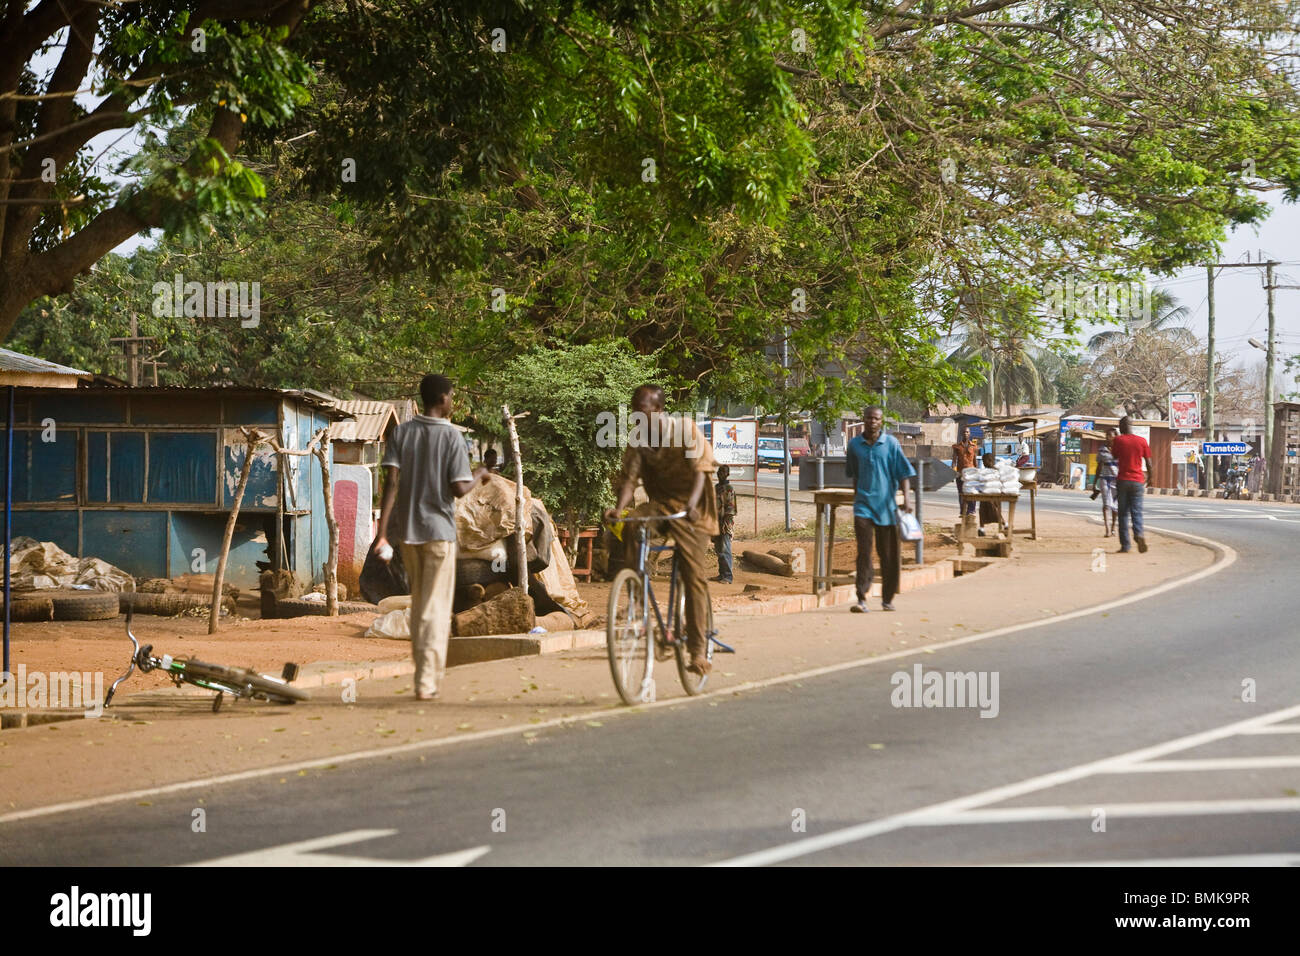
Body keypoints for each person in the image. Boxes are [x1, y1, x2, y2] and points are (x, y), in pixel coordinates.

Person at [374, 374, 489, 700]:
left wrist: (382, 534)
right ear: (442, 399)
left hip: (409, 535)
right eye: (452, 396)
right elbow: (458, 488)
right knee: (435, 609)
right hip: (439, 534)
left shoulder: (402, 433)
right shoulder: (452, 437)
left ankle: (423, 673)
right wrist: (480, 473)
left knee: (421, 603)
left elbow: (391, 484)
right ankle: (427, 679)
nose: (452, 401)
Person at [605, 385, 719, 675]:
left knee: (693, 576)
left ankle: (697, 651)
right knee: (632, 524)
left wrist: (692, 505)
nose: (637, 418)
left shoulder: (684, 430)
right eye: (634, 413)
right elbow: (630, 479)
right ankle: (637, 595)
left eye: (642, 411)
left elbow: (700, 472)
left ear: (658, 410)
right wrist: (619, 509)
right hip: (661, 505)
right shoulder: (639, 439)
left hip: (693, 510)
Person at [846, 406, 915, 613]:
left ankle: (887, 598)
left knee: (888, 554)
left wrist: (907, 499)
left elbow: (903, 473)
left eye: (876, 419)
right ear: (863, 420)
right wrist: (857, 497)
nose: (872, 422)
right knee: (864, 552)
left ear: (881, 421)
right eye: (868, 418)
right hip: (863, 507)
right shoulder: (854, 445)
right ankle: (861, 598)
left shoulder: (891, 444)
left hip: (886, 507)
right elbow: (854, 475)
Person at [1110, 416, 1153, 554]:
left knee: (1123, 514)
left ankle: (1126, 545)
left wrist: (1114, 442)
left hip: (1123, 480)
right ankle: (1139, 534)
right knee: (1137, 511)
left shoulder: (1118, 440)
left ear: (1122, 426)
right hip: (1138, 481)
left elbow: (1114, 456)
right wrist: (1151, 477)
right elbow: (1149, 463)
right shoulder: (1142, 441)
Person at [1090, 428, 1119, 537]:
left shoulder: (1121, 449)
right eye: (1107, 435)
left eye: (1110, 435)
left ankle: (1113, 528)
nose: (1108, 438)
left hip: (1117, 480)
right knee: (1106, 504)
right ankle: (1107, 529)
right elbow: (1098, 466)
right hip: (1104, 479)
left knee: (1115, 507)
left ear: (1116, 436)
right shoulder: (1102, 450)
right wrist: (1095, 482)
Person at [712, 464, 737, 584]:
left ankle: (728, 576)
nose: (719, 474)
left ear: (727, 474)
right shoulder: (717, 487)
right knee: (718, 549)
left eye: (722, 472)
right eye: (719, 472)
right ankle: (722, 573)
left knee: (725, 548)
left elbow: (730, 508)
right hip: (715, 522)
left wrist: (724, 522)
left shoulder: (729, 488)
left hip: (724, 523)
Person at [951, 426, 980, 518]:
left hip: (971, 473)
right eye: (964, 432)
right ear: (961, 434)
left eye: (967, 432)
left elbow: (975, 461)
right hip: (960, 472)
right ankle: (963, 511)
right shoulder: (957, 447)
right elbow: (954, 460)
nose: (965, 433)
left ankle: (971, 510)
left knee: (971, 492)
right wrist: (953, 471)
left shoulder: (974, 446)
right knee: (961, 492)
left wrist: (977, 472)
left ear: (969, 433)